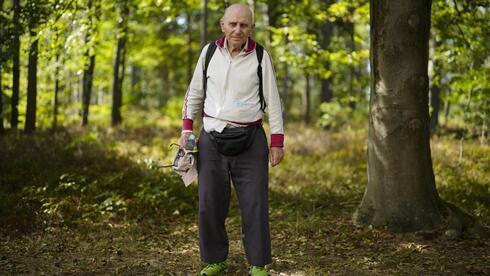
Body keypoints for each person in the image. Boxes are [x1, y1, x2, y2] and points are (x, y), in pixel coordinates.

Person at [179, 3, 284, 275]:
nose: (238, 30)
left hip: (251, 141)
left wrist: (277, 142)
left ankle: (259, 264)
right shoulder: (209, 52)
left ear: (251, 27)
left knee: (255, 203)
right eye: (233, 24)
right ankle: (215, 260)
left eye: (244, 25)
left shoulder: (261, 56)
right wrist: (186, 129)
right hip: (211, 139)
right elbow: (194, 93)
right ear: (222, 25)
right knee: (209, 203)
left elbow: (274, 102)